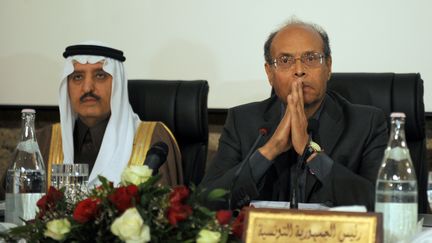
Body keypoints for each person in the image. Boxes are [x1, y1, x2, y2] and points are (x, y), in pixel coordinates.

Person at [200, 19, 388, 211]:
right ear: (269, 73)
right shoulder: (243, 122)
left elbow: (383, 205)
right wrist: (270, 150)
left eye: (311, 58)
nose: (299, 71)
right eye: (285, 61)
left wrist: (311, 153)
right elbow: (204, 203)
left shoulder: (366, 124)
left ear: (329, 66)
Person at [34, 42, 182, 188]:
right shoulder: (43, 142)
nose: (87, 88)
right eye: (77, 77)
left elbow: (162, 207)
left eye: (100, 75)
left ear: (118, 84)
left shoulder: (152, 139)